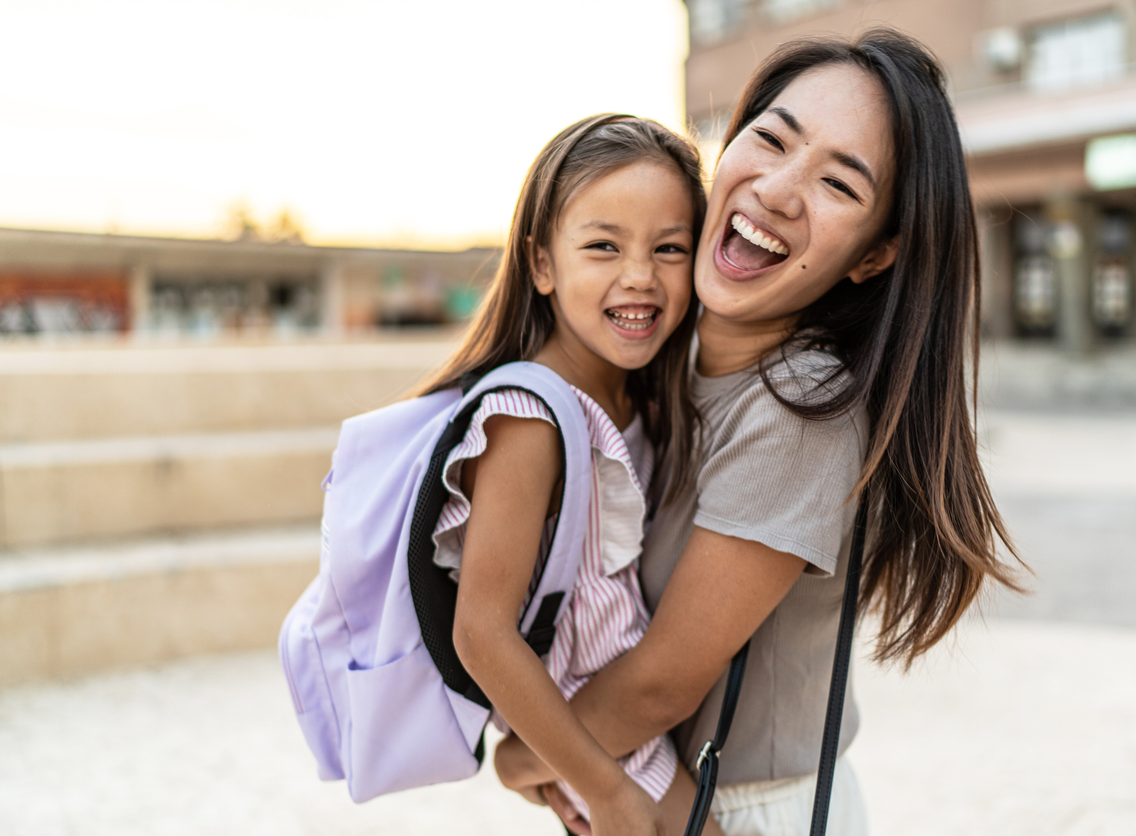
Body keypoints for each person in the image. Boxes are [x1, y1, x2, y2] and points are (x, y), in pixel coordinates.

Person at [492, 30, 1025, 836]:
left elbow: (661, 685)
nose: (778, 190)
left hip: (745, 813)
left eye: (838, 184)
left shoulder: (801, 408)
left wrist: (524, 760)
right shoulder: (669, 357)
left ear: (874, 255)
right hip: (643, 787)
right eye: (772, 139)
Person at [414, 114, 724, 836]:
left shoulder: (641, 400)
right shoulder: (530, 419)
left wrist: (527, 765)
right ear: (542, 265)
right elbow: (482, 633)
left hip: (613, 739)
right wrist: (604, 790)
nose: (640, 275)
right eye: (603, 246)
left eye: (669, 248)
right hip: (608, 752)